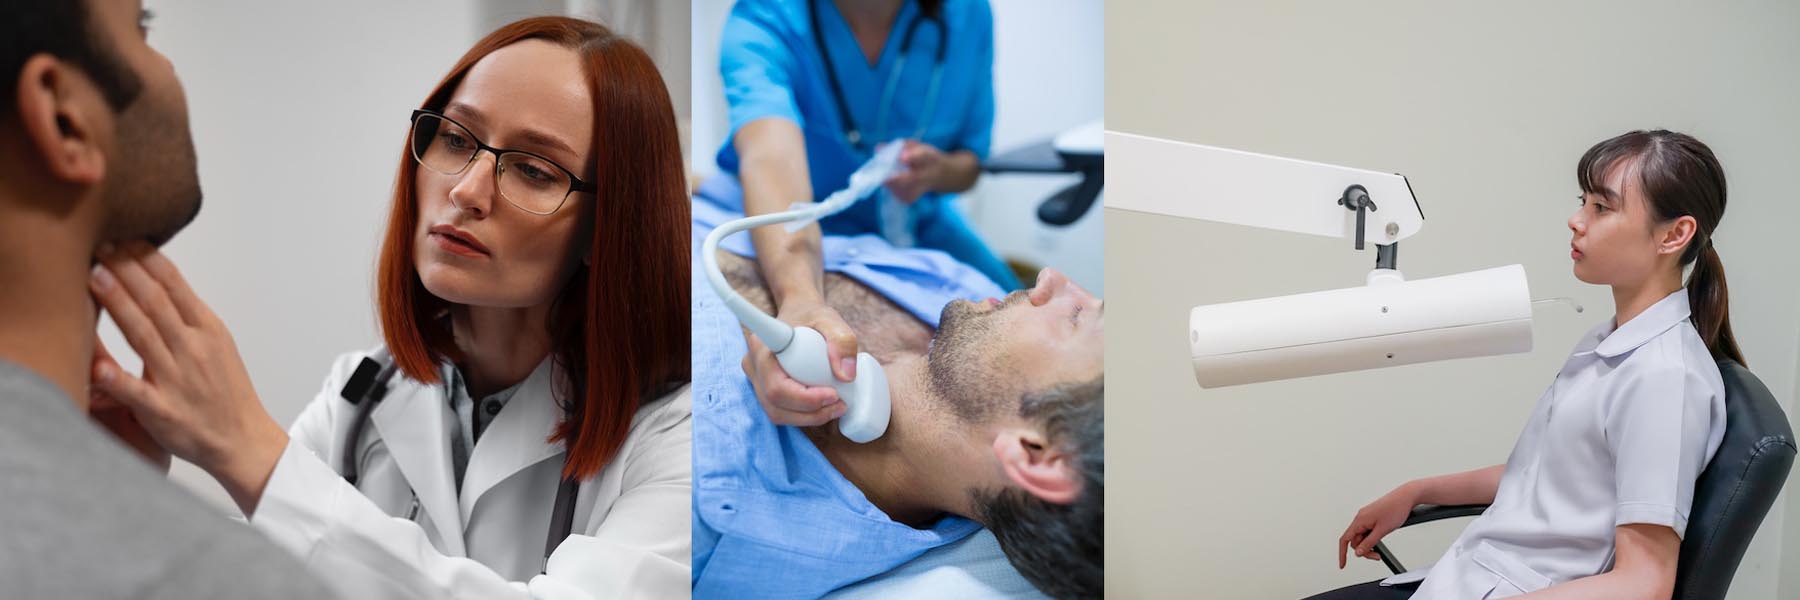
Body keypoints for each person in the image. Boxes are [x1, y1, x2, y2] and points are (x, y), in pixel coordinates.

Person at [86, 17, 692, 599]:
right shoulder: (362, 395)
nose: (466, 190)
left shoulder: (676, 436)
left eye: (533, 170)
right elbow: (246, 579)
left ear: (606, 226)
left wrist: (249, 450)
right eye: (456, 138)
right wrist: (126, 482)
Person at [1312, 130, 1739, 599]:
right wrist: (1417, 490)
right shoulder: (1611, 338)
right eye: (1584, 202)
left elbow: (1645, 583)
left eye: (1602, 207)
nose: (1576, 221)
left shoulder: (1664, 379)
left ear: (1674, 234)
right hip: (1471, 572)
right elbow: (1546, 476)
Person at [0, 0, 334, 597]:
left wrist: (101, 480)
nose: (169, 64)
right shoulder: (215, 580)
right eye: (142, 27)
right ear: (63, 117)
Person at [690, 192, 1102, 598]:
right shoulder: (966, 293)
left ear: (1036, 455)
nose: (1052, 277)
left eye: (1077, 317)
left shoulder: (712, 516)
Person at [705, 0, 1016, 440]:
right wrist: (800, 297)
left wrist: (938, 173)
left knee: (1013, 300)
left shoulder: (966, 15)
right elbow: (770, 158)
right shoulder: (766, 19)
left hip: (916, 219)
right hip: (792, 224)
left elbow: (969, 162)